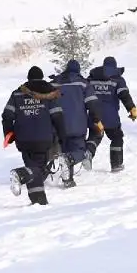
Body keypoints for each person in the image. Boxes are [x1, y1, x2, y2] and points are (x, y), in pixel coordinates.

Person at [2, 66, 67, 205]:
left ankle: (38, 201)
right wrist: (62, 136)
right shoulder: (50, 93)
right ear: (42, 77)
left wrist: (9, 134)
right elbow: (57, 116)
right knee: (38, 170)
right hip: (44, 137)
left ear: (28, 78)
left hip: (23, 139)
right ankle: (21, 174)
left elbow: (7, 115)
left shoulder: (17, 94)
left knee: (32, 168)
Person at [50, 59, 102, 188]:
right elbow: (92, 104)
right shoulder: (83, 84)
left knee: (66, 153)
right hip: (77, 125)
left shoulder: (54, 83)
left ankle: (68, 180)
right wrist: (96, 120)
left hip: (58, 125)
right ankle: (68, 173)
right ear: (78, 70)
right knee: (80, 152)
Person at [86, 56, 137, 172]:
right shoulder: (118, 79)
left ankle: (88, 153)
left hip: (94, 115)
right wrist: (131, 108)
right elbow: (124, 95)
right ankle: (116, 165)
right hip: (111, 116)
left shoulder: (91, 79)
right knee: (116, 137)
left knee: (95, 136)